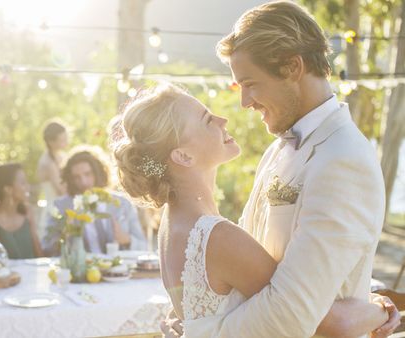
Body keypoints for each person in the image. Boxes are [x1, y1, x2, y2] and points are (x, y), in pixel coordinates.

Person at [157, 2, 400, 337]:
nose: (244, 102)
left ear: (292, 67)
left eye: (250, 83)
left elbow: (290, 311)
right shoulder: (277, 149)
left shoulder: (344, 160)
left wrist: (201, 333)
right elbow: (247, 271)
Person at [114, 83, 395, 338]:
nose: (222, 119)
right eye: (206, 119)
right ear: (183, 156)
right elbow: (325, 321)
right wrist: (383, 308)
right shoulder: (217, 237)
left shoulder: (172, 224)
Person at [44, 146, 147, 255]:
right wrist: (64, 237)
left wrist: (126, 239)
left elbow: (143, 246)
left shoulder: (122, 203)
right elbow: (46, 247)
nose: (83, 182)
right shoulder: (61, 206)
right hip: (80, 270)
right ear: (70, 179)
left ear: (98, 172)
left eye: (87, 174)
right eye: (76, 177)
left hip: (117, 269)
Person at [0, 164, 43, 259]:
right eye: (23, 183)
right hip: (7, 273)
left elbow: (38, 252)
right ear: (8, 189)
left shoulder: (28, 211)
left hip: (32, 271)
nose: (28, 187)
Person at [36, 120, 69, 241]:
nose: (66, 142)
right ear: (50, 142)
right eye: (62, 139)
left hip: (64, 205)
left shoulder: (62, 156)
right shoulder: (47, 162)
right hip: (54, 208)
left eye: (66, 138)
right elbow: (60, 190)